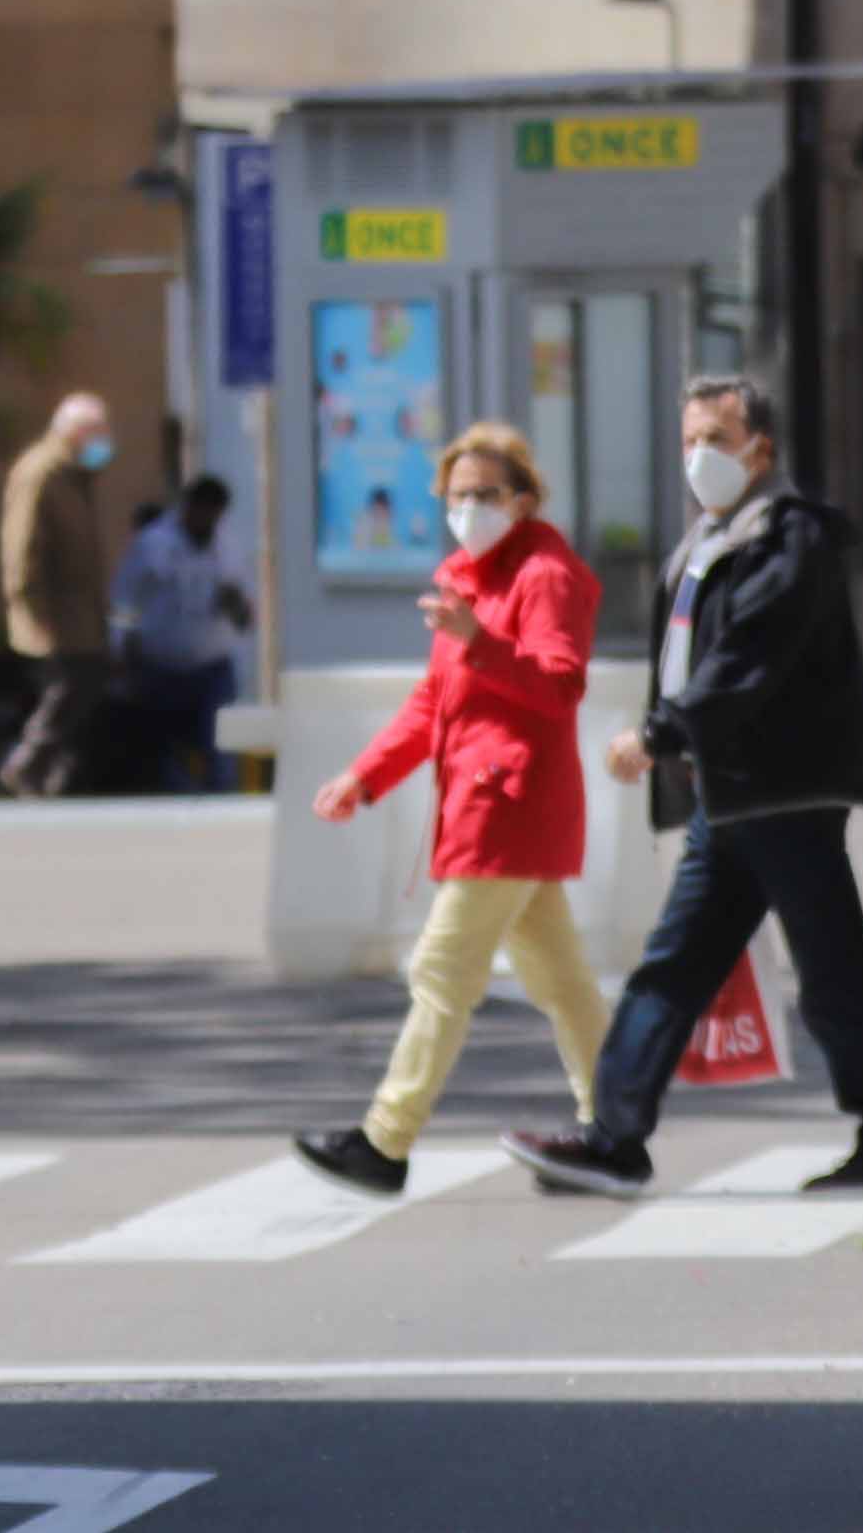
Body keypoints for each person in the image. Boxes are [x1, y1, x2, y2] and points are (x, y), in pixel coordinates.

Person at [506, 375, 863, 1198]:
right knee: (674, 967)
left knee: (828, 972)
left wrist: (663, 733)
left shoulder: (787, 534)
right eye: (690, 438)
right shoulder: (714, 534)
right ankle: (615, 1138)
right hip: (730, 794)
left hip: (783, 788)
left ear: (760, 449)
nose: (699, 455)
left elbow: (750, 658)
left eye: (717, 438)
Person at [293, 421, 608, 1197]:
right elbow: (434, 700)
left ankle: (385, 1140)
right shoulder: (465, 576)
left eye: (486, 493)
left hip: (510, 804)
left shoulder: (545, 572)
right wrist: (365, 776)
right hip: (484, 804)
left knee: (442, 970)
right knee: (561, 980)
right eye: (457, 494)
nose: (469, 507)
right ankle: (616, 1124)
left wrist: (481, 642)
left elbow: (561, 682)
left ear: (524, 497)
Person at [0, 393, 116, 798]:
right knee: (64, 691)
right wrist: (32, 608)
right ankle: (27, 763)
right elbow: (22, 547)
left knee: (84, 691)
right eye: (99, 432)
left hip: (81, 616)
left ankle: (56, 779)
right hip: (55, 617)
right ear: (77, 433)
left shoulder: (73, 474)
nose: (105, 441)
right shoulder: (41, 473)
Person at [112, 475, 252, 792]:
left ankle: (223, 813)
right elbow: (124, 600)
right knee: (160, 753)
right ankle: (182, 810)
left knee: (220, 748)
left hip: (212, 668)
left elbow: (243, 613)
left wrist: (235, 605)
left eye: (215, 514)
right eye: (203, 511)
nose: (208, 520)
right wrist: (122, 649)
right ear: (188, 507)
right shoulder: (152, 544)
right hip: (160, 667)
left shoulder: (228, 546)